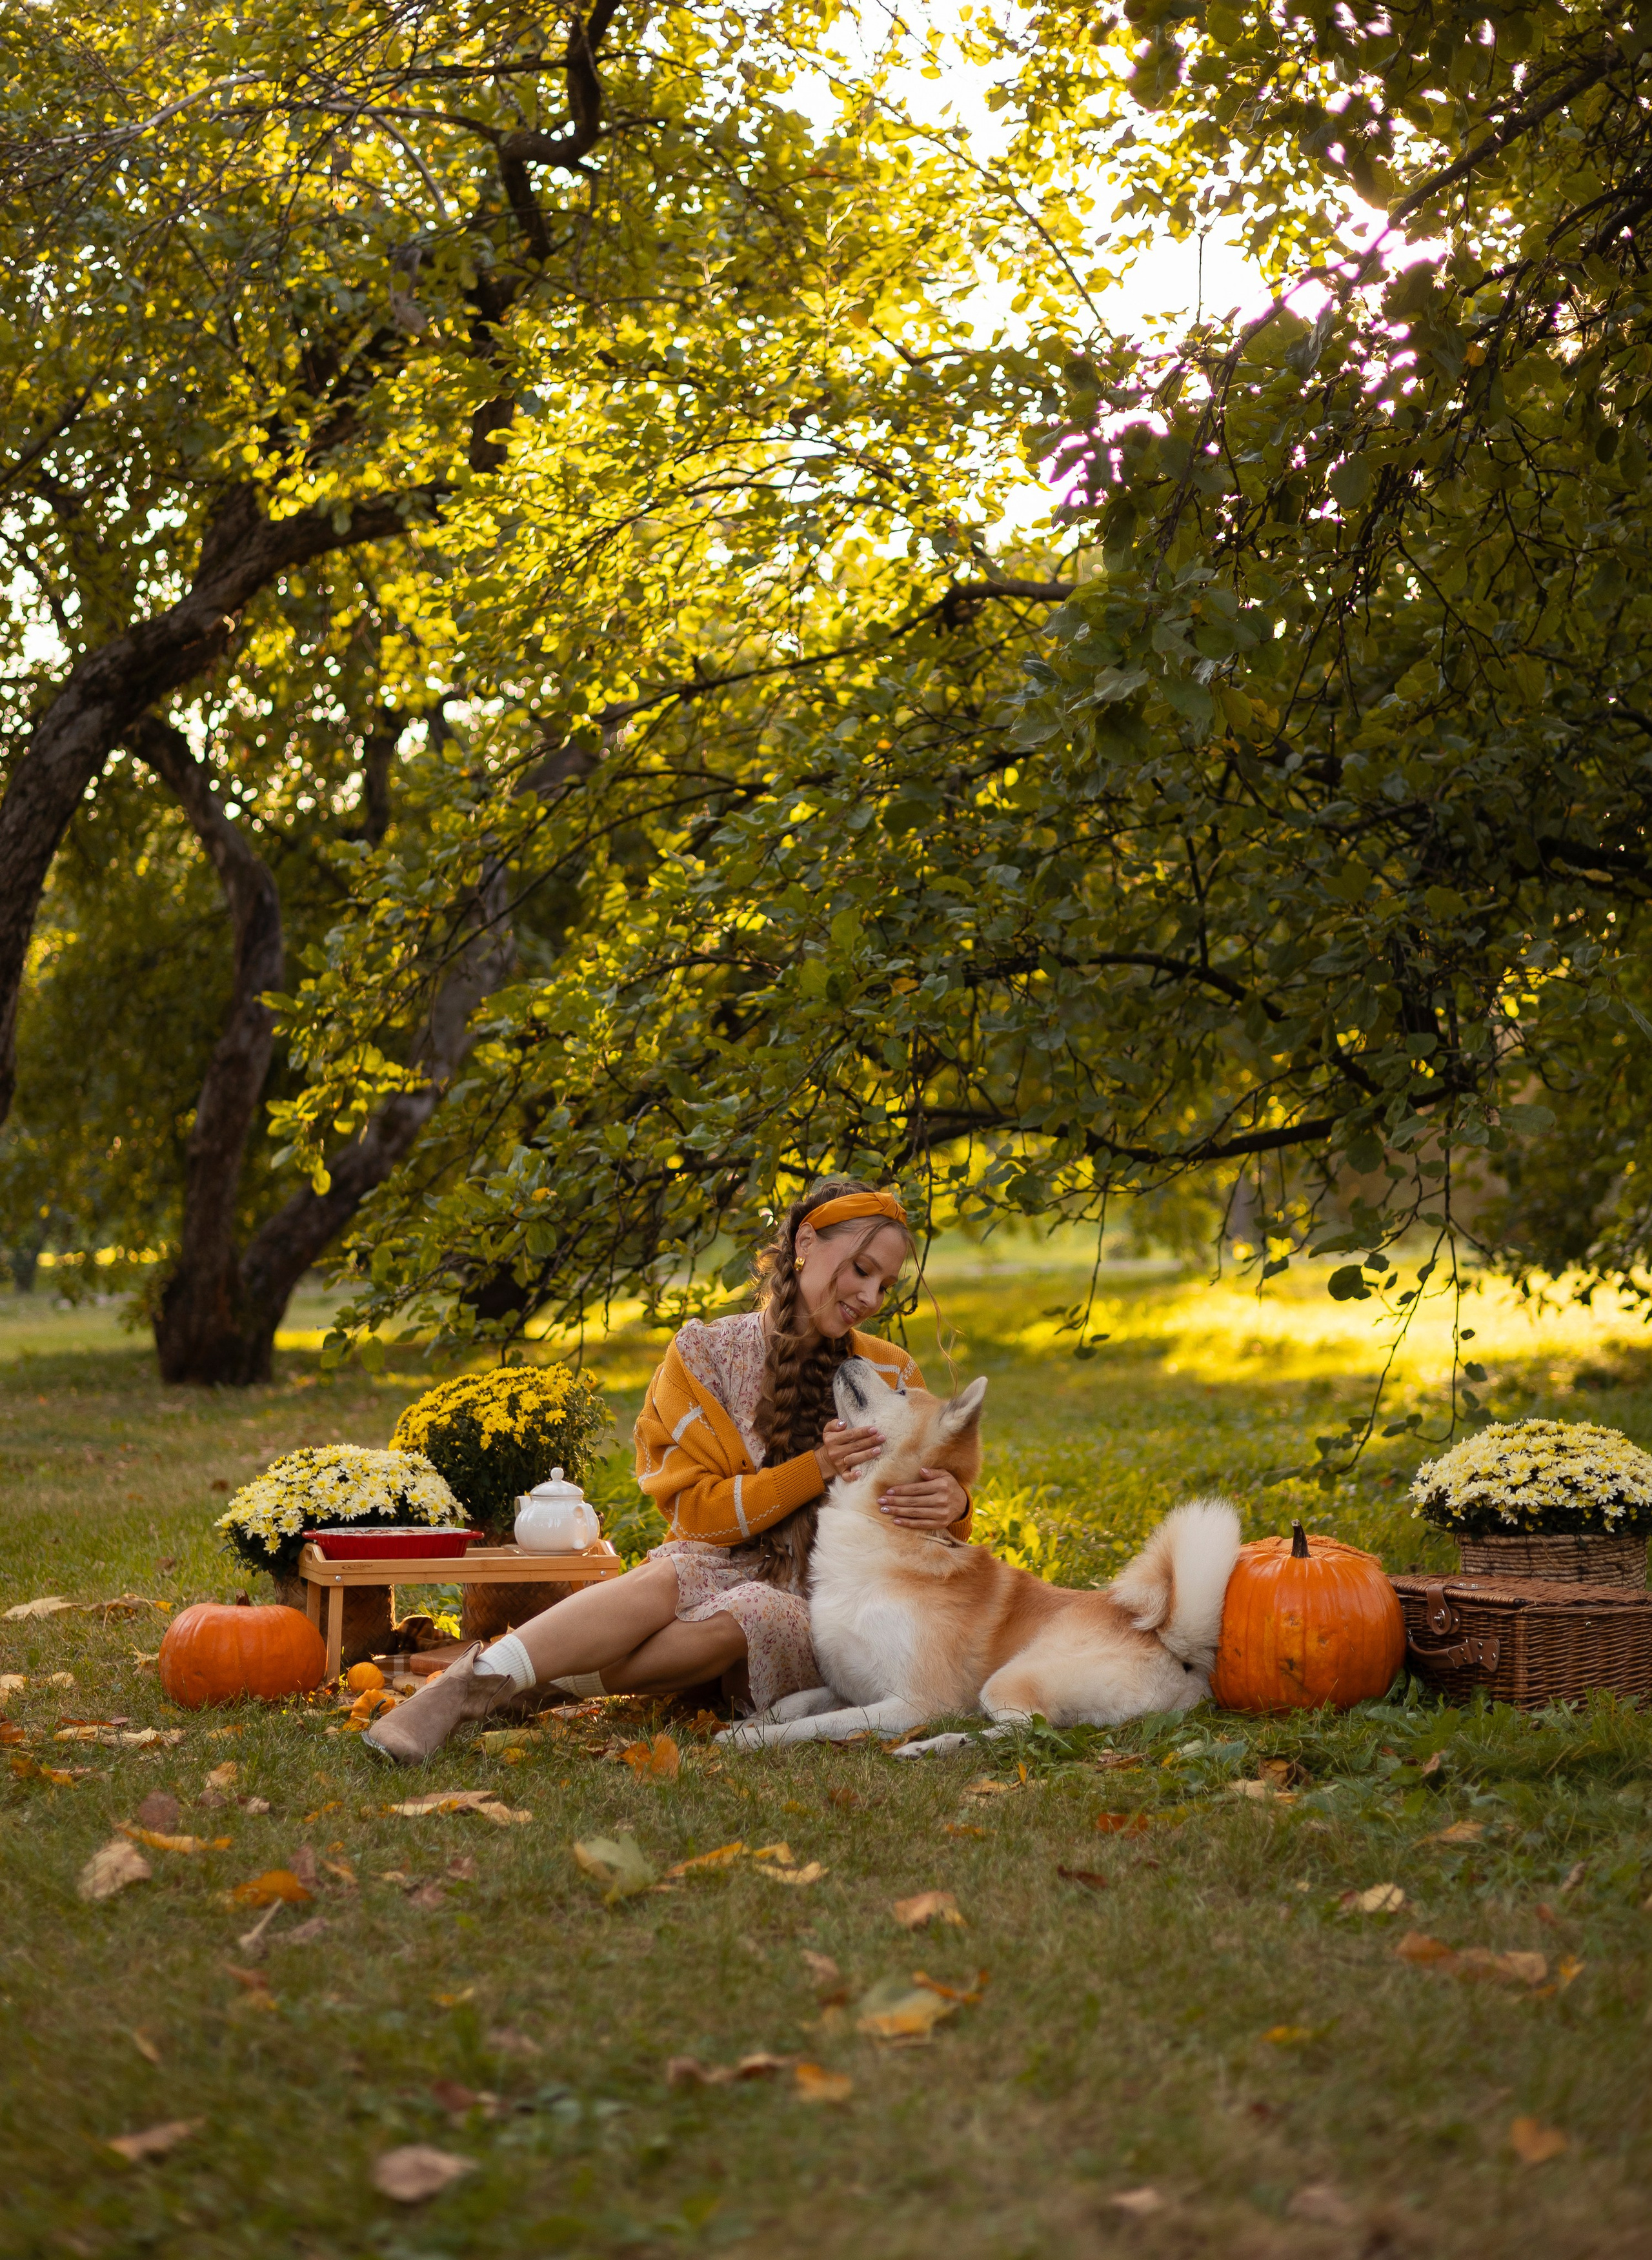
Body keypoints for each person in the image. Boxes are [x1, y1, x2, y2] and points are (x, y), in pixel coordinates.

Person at [365, 1176, 970, 1763]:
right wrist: (814, 1468)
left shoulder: (889, 1375)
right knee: (670, 1575)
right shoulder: (703, 1355)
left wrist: (955, 1506)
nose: (871, 1298)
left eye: (886, 1285)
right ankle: (471, 1687)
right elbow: (697, 1518)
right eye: (863, 1271)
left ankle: (534, 1685)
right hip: (714, 1561)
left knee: (752, 1608)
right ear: (805, 1241)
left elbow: (923, 1533)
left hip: (827, 1605)